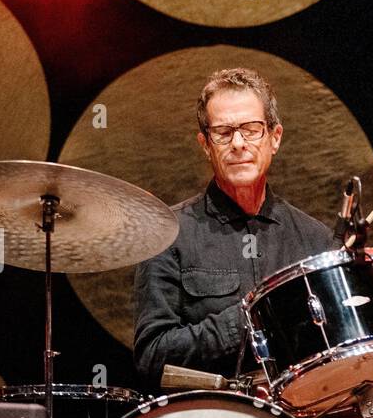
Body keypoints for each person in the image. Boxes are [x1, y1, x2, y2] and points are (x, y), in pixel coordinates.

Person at [133, 67, 335, 388]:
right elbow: (152, 357)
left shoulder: (316, 240)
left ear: (275, 138)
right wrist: (250, 319)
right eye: (223, 132)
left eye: (251, 129)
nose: (238, 143)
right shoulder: (167, 234)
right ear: (205, 144)